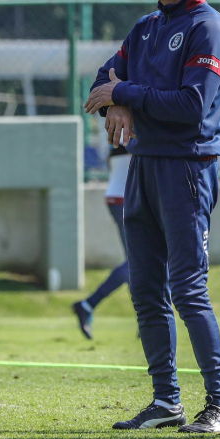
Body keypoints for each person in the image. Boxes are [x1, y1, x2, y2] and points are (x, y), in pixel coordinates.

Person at [83, 0, 220, 434]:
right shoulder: (146, 27)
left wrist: (124, 93)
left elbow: (192, 105)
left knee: (187, 290)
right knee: (146, 290)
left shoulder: (208, 28)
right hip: (143, 167)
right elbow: (103, 80)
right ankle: (166, 400)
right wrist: (118, 100)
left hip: (187, 168)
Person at [72, 144, 132, 340]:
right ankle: (88, 304)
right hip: (127, 199)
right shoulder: (138, 128)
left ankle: (147, 317)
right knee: (139, 262)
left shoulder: (120, 130)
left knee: (138, 264)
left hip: (118, 196)